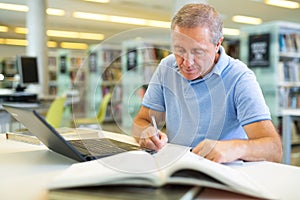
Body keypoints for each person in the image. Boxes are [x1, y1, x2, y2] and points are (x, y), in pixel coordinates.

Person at [132, 3, 282, 163]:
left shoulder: (240, 77)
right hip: (177, 167)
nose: (187, 63)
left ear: (218, 44)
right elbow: (141, 121)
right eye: (180, 50)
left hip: (225, 173)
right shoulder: (166, 67)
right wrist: (146, 133)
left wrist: (235, 148)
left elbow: (274, 149)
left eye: (198, 51)